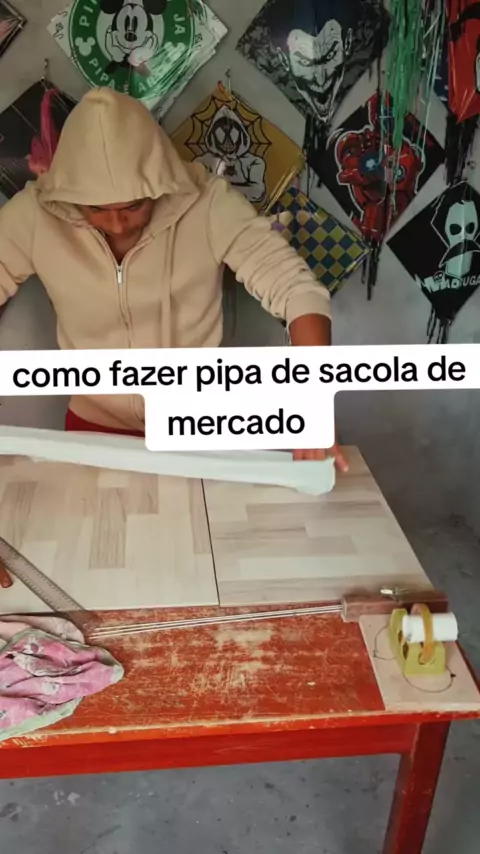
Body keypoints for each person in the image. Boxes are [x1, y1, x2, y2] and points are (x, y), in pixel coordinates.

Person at [0, 87, 347, 471]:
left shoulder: (209, 205)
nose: (117, 224)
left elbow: (297, 289)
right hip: (92, 432)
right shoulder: (37, 215)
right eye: (96, 209)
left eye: (134, 205)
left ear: (159, 182)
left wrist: (313, 401)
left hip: (196, 431)